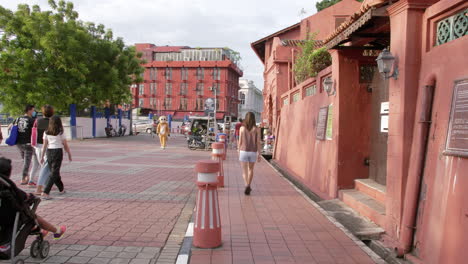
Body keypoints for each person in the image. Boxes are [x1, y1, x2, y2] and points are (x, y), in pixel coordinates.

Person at [0, 157, 66, 239]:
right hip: (10, 220)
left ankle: (39, 229)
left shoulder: (6, 187)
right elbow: (26, 197)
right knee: (30, 215)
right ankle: (57, 231)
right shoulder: (9, 189)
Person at [40, 116, 72, 200]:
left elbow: (44, 145)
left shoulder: (46, 132)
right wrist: (69, 154)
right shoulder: (60, 132)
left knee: (54, 171)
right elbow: (65, 144)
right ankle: (45, 192)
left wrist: (42, 156)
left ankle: (61, 189)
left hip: (49, 152)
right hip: (57, 152)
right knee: (54, 172)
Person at [8, 104, 36, 185]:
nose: (33, 112)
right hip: (27, 143)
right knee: (27, 162)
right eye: (33, 110)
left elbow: (9, 127)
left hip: (18, 143)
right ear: (29, 110)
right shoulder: (31, 120)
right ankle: (23, 178)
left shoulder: (18, 119)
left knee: (24, 160)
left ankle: (26, 177)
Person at [238, 112, 261, 195]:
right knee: (250, 169)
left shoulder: (242, 129)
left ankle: (246, 185)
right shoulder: (257, 129)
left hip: (243, 151)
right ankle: (249, 185)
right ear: (254, 119)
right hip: (253, 152)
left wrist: (238, 151)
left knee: (244, 171)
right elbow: (258, 142)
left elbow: (240, 142)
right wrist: (259, 154)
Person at [33, 105, 54, 195]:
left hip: (38, 145)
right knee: (46, 166)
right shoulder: (52, 122)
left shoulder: (37, 121)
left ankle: (45, 184)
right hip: (48, 145)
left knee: (43, 165)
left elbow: (33, 132)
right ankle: (41, 186)